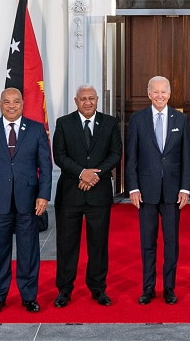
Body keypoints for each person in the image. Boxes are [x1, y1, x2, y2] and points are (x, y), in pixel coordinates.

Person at [0, 87, 52, 314]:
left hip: (28, 201)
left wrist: (43, 195)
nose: (11, 106)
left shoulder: (36, 129)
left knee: (28, 251)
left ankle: (29, 297)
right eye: (7, 102)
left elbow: (45, 167)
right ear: (0, 103)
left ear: (23, 103)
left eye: (16, 102)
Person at [51, 84, 122, 307]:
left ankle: (98, 288)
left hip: (98, 194)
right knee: (66, 244)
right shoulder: (63, 123)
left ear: (97, 99)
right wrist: (82, 173)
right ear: (76, 101)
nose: (88, 102)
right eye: (83, 99)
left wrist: (94, 175)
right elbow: (59, 156)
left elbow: (116, 154)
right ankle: (64, 289)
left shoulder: (110, 123)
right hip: (71, 193)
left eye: (92, 98)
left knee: (98, 245)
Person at [125, 75, 190, 304]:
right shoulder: (137, 119)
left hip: (173, 192)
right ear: (149, 93)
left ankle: (169, 288)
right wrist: (132, 187)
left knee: (171, 242)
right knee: (148, 242)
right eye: (156, 92)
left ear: (170, 94)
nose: (160, 96)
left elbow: (186, 157)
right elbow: (131, 156)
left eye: (164, 92)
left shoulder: (180, 120)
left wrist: (185, 188)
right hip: (146, 192)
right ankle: (148, 288)